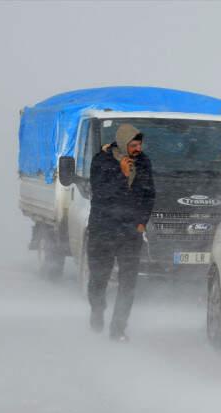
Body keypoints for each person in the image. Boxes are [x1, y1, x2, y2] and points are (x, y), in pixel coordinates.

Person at [87, 123, 156, 342]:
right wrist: (122, 175)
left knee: (128, 283)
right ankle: (97, 309)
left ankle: (118, 329)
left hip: (130, 232)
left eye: (140, 144)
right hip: (103, 229)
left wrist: (142, 222)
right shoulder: (102, 160)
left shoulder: (144, 162)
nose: (138, 148)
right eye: (133, 144)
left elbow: (149, 194)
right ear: (124, 143)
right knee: (99, 278)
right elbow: (100, 193)